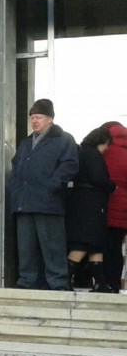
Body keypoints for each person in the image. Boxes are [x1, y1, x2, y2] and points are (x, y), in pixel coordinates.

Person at [8, 98, 79, 290]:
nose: (34, 121)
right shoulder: (25, 142)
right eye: (32, 117)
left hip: (48, 202)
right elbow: (16, 168)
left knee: (52, 245)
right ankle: (27, 281)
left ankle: (58, 282)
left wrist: (52, 185)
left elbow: (70, 165)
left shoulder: (64, 140)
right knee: (26, 246)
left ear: (50, 119)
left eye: (38, 117)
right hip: (24, 201)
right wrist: (15, 189)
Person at [66, 126, 116, 292]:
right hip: (91, 205)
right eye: (106, 144)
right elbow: (98, 178)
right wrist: (112, 186)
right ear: (101, 141)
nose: (107, 148)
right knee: (84, 243)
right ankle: (65, 278)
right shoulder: (92, 154)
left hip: (81, 204)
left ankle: (100, 283)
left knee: (96, 243)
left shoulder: (81, 153)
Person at [101, 121, 127, 292]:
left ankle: (102, 282)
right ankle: (115, 283)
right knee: (116, 247)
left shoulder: (103, 151)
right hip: (124, 209)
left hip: (104, 206)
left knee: (102, 247)